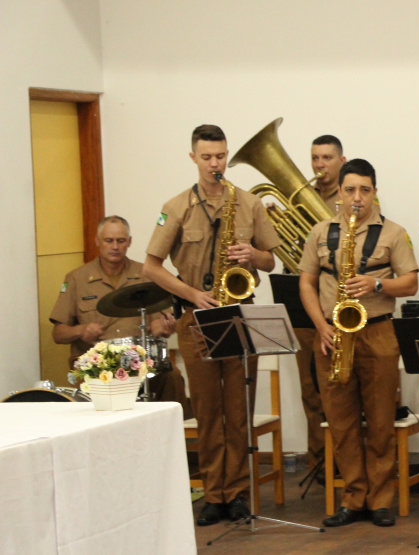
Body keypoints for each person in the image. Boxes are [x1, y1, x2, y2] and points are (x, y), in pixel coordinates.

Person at [144, 124, 281, 526]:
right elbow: (152, 267)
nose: (215, 164)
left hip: (240, 313)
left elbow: (272, 261)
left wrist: (253, 255)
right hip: (196, 316)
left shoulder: (248, 203)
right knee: (207, 409)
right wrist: (190, 294)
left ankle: (237, 492)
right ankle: (214, 494)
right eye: (207, 157)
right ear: (193, 158)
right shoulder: (176, 206)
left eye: (220, 155)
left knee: (238, 407)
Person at [298, 158, 418, 528]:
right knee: (342, 422)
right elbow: (306, 282)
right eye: (350, 190)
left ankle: (381, 499)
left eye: (365, 190)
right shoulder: (320, 232)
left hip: (379, 332)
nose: (357, 198)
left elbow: (410, 283)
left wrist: (376, 283)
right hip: (333, 334)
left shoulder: (394, 233)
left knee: (381, 421)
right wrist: (320, 326)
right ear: (339, 193)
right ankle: (354, 497)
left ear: (375, 193)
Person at [50, 215, 189, 414]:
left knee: (172, 375)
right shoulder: (76, 279)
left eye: (120, 241)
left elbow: (159, 324)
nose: (115, 246)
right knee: (89, 383)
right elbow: (58, 333)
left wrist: (164, 328)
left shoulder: (146, 274)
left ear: (129, 242)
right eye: (109, 241)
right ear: (97, 241)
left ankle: (176, 434)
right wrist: (80, 331)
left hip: (139, 363)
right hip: (97, 365)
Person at [292, 134, 347, 477]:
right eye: (315, 158)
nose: (319, 165)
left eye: (326, 158)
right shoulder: (298, 199)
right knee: (310, 391)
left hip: (342, 309)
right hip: (307, 305)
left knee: (341, 391)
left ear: (342, 160)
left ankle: (345, 463)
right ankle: (318, 463)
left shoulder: (356, 197)